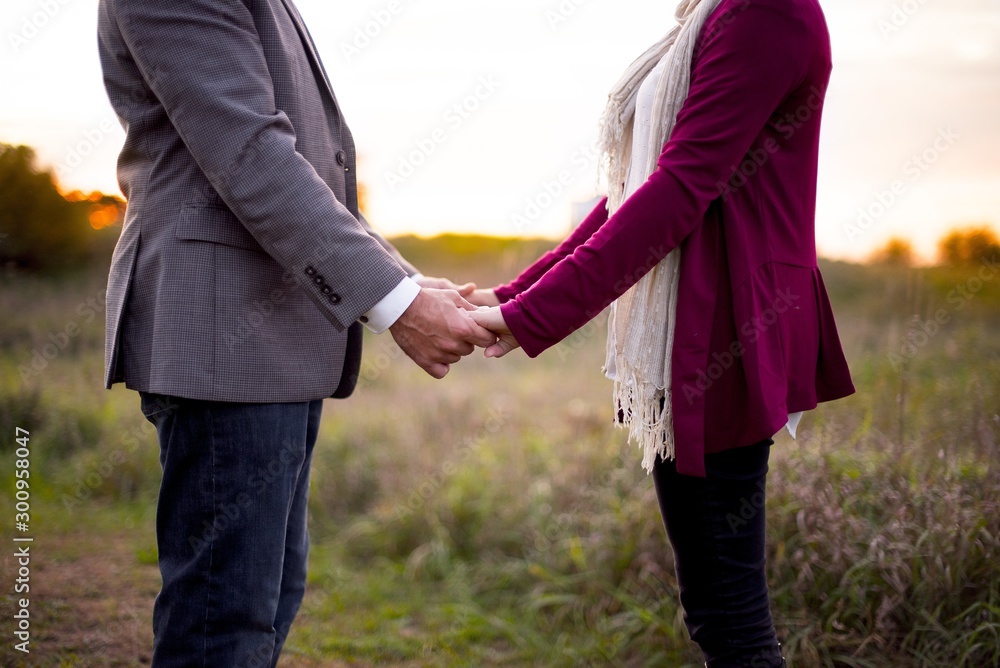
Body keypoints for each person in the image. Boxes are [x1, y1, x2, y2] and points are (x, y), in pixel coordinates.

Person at [96, 0, 494, 665]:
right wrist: (394, 304)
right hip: (221, 335)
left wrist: (404, 282)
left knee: (266, 598)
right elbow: (250, 154)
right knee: (224, 622)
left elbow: (308, 167)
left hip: (268, 334)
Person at [470, 0, 855, 665]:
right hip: (694, 317)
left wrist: (530, 315)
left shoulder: (766, 10)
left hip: (728, 326)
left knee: (728, 616)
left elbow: (681, 186)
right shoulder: (714, 13)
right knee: (718, 607)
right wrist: (516, 297)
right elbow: (638, 191)